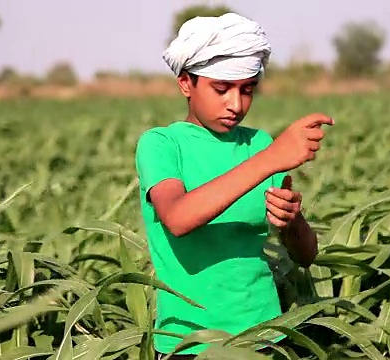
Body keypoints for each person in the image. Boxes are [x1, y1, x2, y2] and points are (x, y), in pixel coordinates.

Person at [134, 12, 334, 359]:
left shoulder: (258, 144)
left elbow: (305, 256)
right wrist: (271, 160)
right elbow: (178, 218)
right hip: (190, 344)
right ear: (185, 83)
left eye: (247, 90)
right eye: (221, 89)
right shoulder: (162, 145)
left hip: (267, 336)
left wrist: (291, 220)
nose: (236, 104)